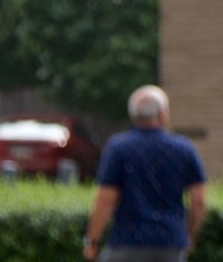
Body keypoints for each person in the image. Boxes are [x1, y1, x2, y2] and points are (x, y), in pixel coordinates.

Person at [84, 85, 208, 262]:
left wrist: (92, 241)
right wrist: (188, 235)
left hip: (126, 242)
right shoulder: (184, 149)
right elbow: (199, 201)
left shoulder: (118, 148)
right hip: (170, 242)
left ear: (134, 116)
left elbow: (105, 199)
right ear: (163, 114)